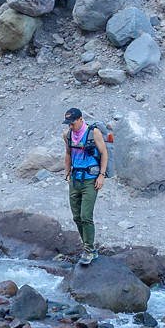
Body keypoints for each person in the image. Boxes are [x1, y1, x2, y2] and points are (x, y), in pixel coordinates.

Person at [62, 107, 108, 265]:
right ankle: (89, 248)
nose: (70, 126)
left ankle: (89, 250)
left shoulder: (93, 133)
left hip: (90, 180)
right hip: (75, 179)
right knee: (76, 217)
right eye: (68, 123)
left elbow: (104, 153)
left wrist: (101, 175)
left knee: (85, 216)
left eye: (72, 123)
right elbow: (68, 154)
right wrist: (67, 172)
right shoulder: (67, 135)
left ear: (80, 119)